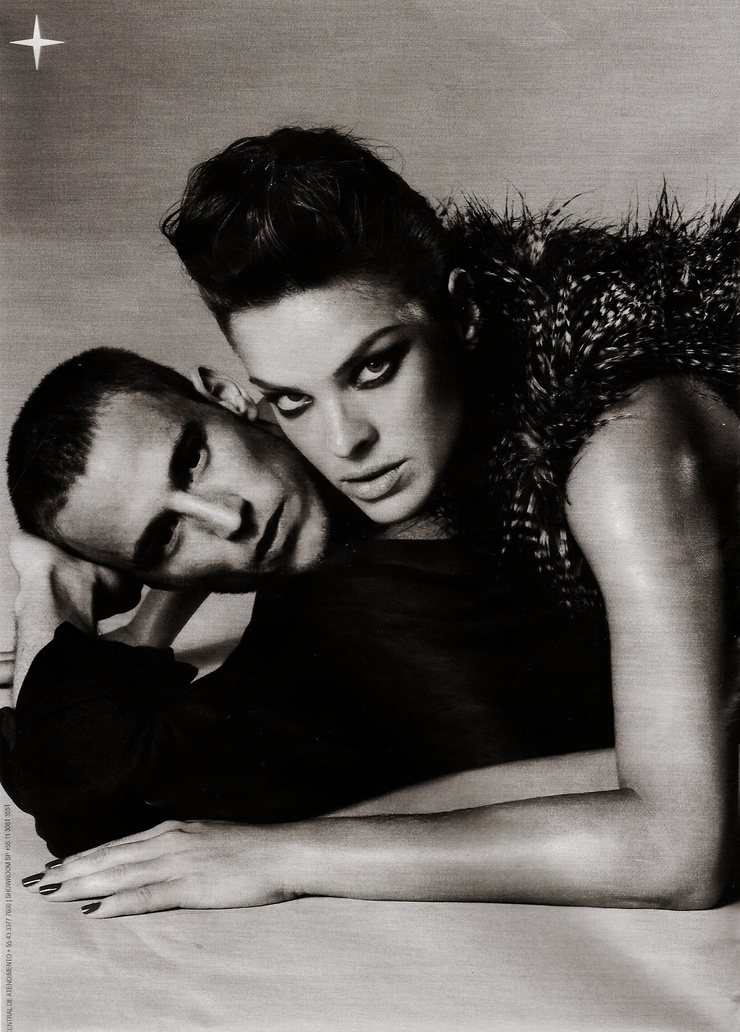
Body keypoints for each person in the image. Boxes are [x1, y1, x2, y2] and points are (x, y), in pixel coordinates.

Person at [22, 127, 739, 914]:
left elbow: (681, 854)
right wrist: (140, 609)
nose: (345, 444)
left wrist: (283, 856)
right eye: (294, 400)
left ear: (463, 312)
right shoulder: (397, 499)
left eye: (372, 369)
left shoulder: (623, 450)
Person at [3, 348, 614, 860]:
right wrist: (146, 629)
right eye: (165, 537)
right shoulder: (381, 429)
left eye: (192, 460)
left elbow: (85, 794)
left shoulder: (347, 617)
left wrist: (54, 587)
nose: (229, 520)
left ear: (227, 397)